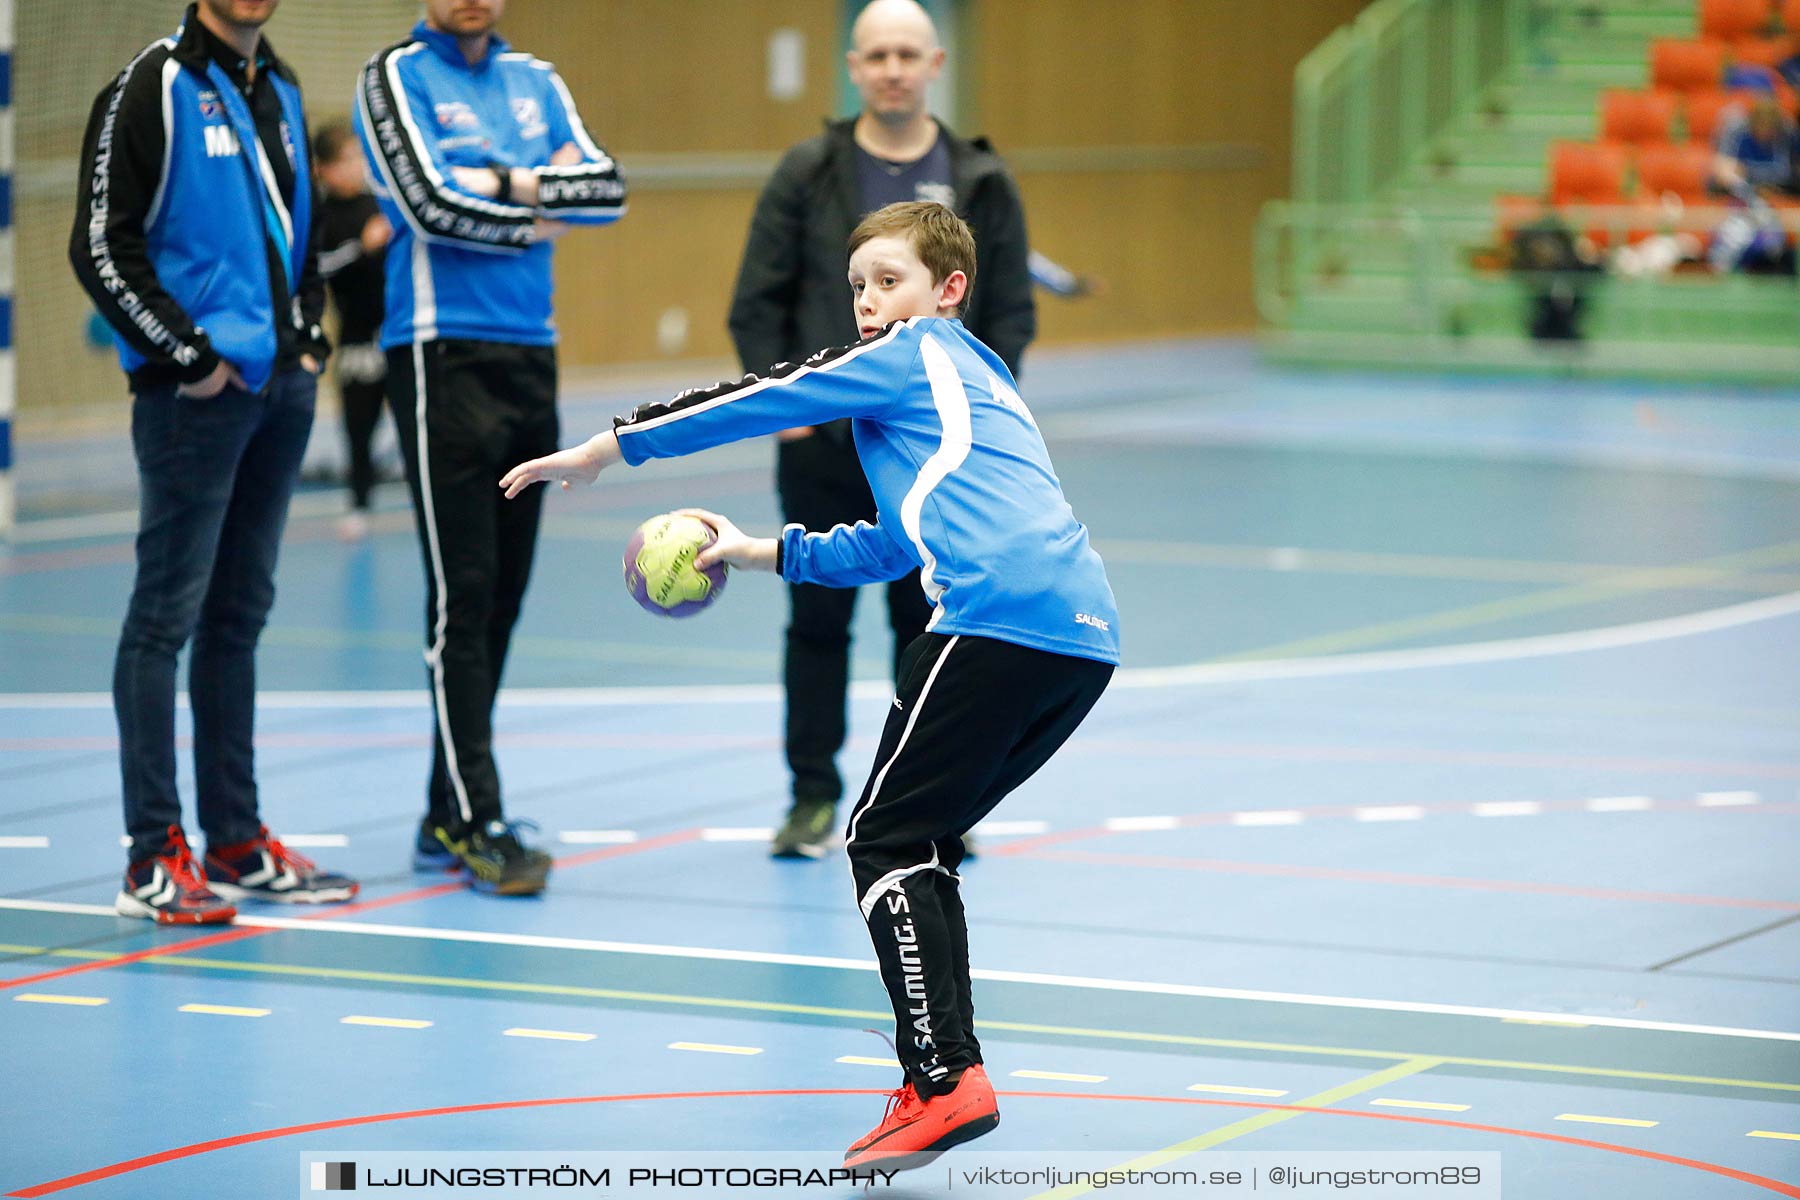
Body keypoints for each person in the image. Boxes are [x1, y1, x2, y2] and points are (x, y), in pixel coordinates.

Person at [500, 201, 1119, 1169]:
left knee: (881, 835)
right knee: (920, 844)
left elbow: (762, 396)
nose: (870, 303)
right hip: (1080, 635)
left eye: (890, 282)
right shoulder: (981, 380)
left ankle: (948, 1080)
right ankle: (939, 1075)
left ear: (946, 290)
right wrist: (759, 552)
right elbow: (896, 540)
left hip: (997, 613)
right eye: (859, 286)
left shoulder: (915, 355)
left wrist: (608, 447)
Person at [69, 0, 358, 923]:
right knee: (165, 620)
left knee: (237, 620)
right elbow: (99, 247)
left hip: (280, 391)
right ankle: (153, 857)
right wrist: (188, 357)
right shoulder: (149, 85)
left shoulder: (276, 84)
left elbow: (300, 234)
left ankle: (236, 841)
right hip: (194, 402)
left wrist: (305, 336)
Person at [728, 0, 1036, 860]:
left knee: (935, 629)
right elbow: (758, 298)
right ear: (853, 67)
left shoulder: (979, 176)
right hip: (824, 446)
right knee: (817, 624)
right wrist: (788, 418)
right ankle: (812, 798)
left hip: (940, 456)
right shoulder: (809, 169)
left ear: (936, 63)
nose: (893, 68)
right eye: (876, 55)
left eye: (909, 52)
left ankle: (933, 799)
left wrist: (977, 415)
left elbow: (1008, 307)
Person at [354, 0, 627, 895]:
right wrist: (538, 204)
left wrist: (501, 181)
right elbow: (426, 205)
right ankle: (475, 818)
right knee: (461, 595)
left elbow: (608, 190)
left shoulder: (535, 81)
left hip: (529, 353)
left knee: (504, 593)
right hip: (440, 351)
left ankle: (446, 809)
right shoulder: (394, 77)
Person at [312, 120, 392, 542]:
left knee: (420, 421)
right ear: (323, 168)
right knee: (359, 425)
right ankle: (359, 503)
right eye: (345, 160)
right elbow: (320, 266)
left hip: (395, 334)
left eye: (359, 158)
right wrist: (364, 247)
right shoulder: (320, 217)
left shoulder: (377, 203)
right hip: (357, 340)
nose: (355, 167)